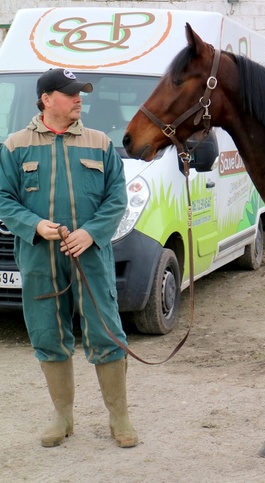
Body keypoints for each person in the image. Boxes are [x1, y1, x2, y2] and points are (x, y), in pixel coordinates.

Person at [0, 68, 138, 448]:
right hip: (39, 257)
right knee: (47, 333)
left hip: (89, 256)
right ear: (46, 98)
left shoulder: (99, 143)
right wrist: (33, 224)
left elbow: (116, 198)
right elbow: (3, 198)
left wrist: (91, 232)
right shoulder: (15, 145)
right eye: (71, 93)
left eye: (81, 93)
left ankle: (119, 418)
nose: (80, 99)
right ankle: (62, 416)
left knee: (107, 331)